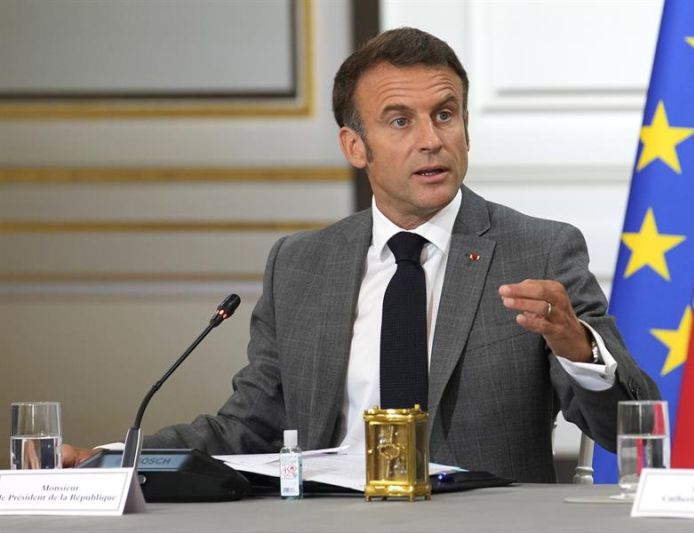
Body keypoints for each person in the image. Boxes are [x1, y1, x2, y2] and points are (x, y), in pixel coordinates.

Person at [65, 27, 659, 482]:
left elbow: (627, 426)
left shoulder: (539, 249)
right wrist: (111, 458)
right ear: (355, 145)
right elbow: (249, 427)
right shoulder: (301, 264)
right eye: (400, 120)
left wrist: (578, 348)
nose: (431, 139)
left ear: (466, 127)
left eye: (445, 114)